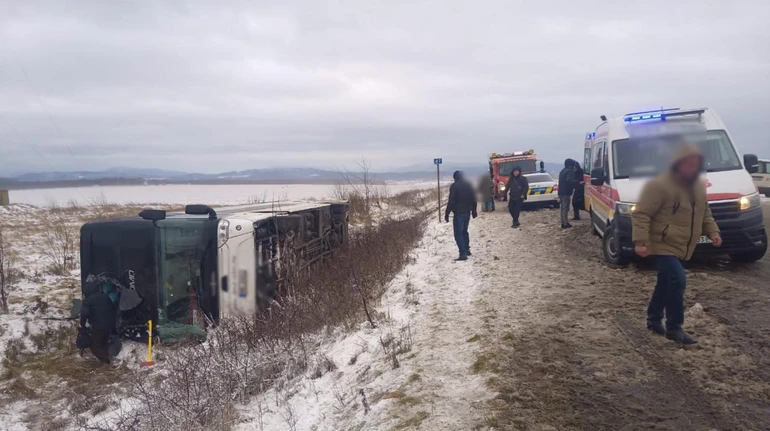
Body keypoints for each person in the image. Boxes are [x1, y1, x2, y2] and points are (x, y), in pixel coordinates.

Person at [632, 144, 722, 345]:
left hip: (683, 244)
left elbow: (704, 212)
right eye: (688, 163)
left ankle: (653, 319)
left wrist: (713, 232)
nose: (692, 167)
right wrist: (640, 242)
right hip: (662, 243)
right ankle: (674, 328)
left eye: (696, 163)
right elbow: (641, 214)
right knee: (678, 280)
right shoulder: (659, 185)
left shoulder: (698, 185)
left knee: (666, 282)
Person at [80, 280, 118, 364]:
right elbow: (113, 309)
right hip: (109, 325)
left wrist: (82, 324)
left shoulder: (88, 300)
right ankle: (105, 359)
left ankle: (106, 361)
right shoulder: (105, 297)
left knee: (94, 346)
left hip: (98, 326)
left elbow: (84, 313)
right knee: (104, 343)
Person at [445, 170, 478, 261]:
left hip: (458, 213)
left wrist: (447, 213)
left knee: (458, 234)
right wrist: (474, 210)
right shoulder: (469, 185)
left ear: (455, 178)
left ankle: (463, 253)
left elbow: (451, 201)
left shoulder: (454, 186)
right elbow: (474, 199)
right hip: (467, 212)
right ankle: (467, 250)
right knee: (464, 232)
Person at [558, 158, 578, 228]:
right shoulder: (570, 171)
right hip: (566, 192)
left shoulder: (562, 171)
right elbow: (569, 180)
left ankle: (563, 222)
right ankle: (565, 223)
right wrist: (578, 182)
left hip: (560, 192)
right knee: (566, 208)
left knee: (562, 208)